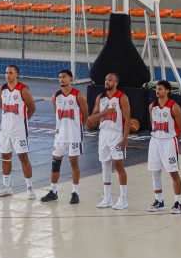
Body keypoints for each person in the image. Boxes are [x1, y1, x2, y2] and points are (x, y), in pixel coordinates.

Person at [41, 69, 88, 204]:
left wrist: (80, 129)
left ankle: (75, 193)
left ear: (71, 78)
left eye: (64, 77)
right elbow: (57, 115)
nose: (61, 79)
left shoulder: (79, 96)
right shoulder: (55, 97)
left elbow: (85, 115)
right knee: (55, 164)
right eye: (60, 77)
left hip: (74, 135)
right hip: (60, 136)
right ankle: (53, 191)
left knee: (74, 163)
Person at [87, 73, 130, 210]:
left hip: (117, 134)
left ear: (116, 83)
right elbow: (92, 119)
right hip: (103, 134)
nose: (107, 81)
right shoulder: (100, 98)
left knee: (119, 166)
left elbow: (128, 120)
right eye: (106, 79)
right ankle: (107, 198)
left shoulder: (122, 97)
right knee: (105, 165)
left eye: (110, 80)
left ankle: (123, 199)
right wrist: (103, 113)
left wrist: (125, 139)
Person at [0, 65, 36, 199]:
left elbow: (32, 108)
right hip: (5, 130)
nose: (8, 75)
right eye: (6, 73)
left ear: (17, 74)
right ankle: (6, 187)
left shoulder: (23, 89)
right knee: (5, 157)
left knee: (23, 157)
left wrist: (23, 121)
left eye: (11, 73)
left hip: (19, 131)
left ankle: (30, 188)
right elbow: (1, 106)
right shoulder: (1, 89)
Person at [147, 80, 181, 214]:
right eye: (156, 89)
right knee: (155, 172)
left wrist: (175, 141)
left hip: (169, 141)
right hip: (155, 140)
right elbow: (152, 123)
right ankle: (159, 201)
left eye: (160, 89)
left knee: (173, 172)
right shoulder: (152, 106)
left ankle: (178, 202)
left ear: (167, 91)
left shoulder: (174, 107)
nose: (157, 91)